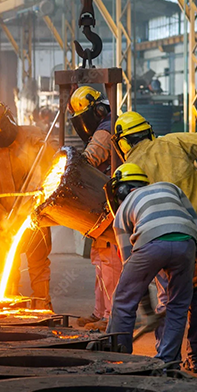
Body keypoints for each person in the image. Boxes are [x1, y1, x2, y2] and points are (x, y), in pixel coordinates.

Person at [112, 112, 197, 372]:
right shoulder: (173, 142)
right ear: (147, 131)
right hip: (194, 231)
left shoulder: (131, 169)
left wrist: (143, 304)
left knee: (167, 298)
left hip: (156, 237)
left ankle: (163, 360)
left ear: (123, 142)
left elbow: (130, 257)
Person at [105, 164, 197, 363]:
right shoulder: (170, 187)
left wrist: (147, 311)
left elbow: (129, 266)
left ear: (122, 190)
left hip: (151, 241)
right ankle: (168, 363)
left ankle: (117, 360)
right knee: (177, 305)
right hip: (187, 242)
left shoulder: (123, 210)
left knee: (123, 300)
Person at [0, 99, 57, 308]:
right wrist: (3, 220)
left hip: (34, 215)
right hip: (6, 220)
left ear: (9, 118)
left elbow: (54, 157)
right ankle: (11, 307)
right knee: (8, 266)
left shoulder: (32, 134)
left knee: (38, 263)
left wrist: (46, 147)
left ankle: (42, 305)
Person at [68, 86, 122, 331]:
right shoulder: (106, 125)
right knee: (100, 260)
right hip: (104, 206)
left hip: (115, 206)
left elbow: (89, 159)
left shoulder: (107, 129)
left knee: (110, 262)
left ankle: (112, 316)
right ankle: (100, 312)